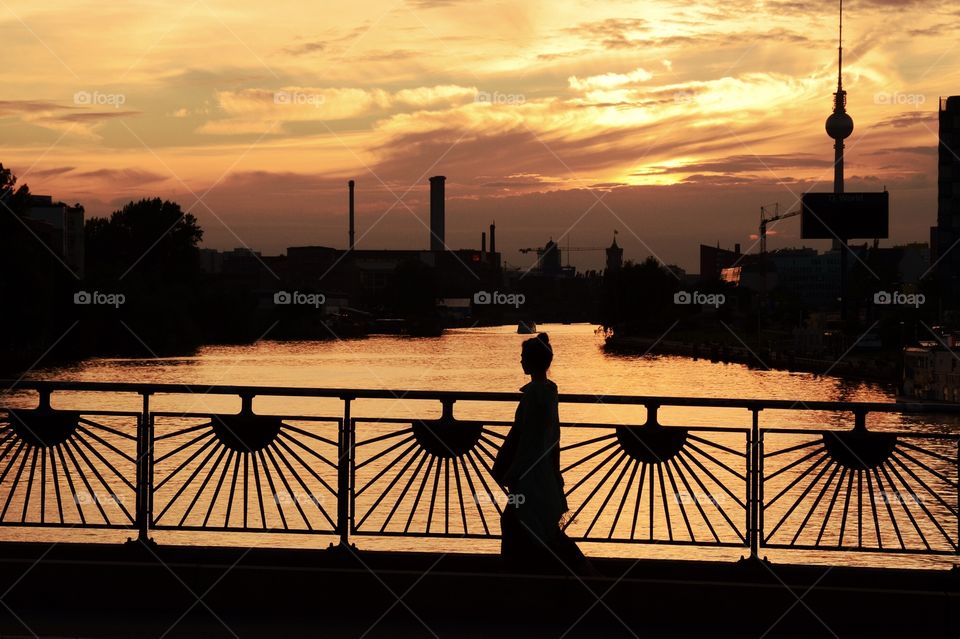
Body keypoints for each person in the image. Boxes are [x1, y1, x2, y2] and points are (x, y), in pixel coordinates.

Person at [493, 333, 591, 574]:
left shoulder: (534, 395)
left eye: (523, 357)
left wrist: (514, 471)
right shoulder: (549, 391)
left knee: (520, 524)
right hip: (543, 472)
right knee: (541, 529)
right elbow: (551, 438)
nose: (520, 362)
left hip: (530, 476)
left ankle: (516, 578)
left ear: (532, 361)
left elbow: (529, 440)